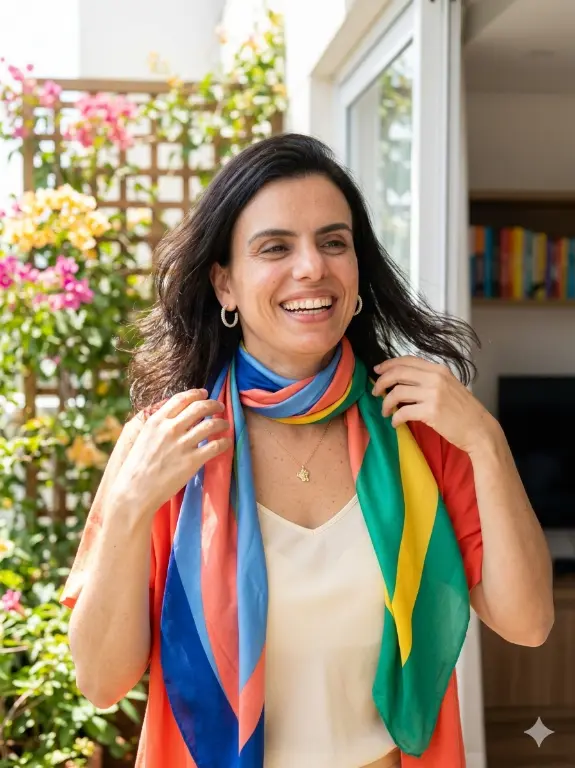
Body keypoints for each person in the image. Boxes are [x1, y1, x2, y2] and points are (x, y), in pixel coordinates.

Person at [62, 133, 554, 768]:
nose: (312, 268)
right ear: (225, 284)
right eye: (275, 247)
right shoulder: (165, 443)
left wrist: (487, 441)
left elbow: (528, 621)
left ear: (357, 269)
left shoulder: (423, 430)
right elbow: (101, 682)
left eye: (333, 242)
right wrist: (130, 508)